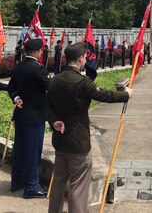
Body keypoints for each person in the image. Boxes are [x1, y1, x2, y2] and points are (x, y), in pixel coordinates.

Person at [44, 42, 133, 213]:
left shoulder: (54, 80)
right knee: (78, 186)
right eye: (85, 57)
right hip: (78, 141)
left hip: (60, 140)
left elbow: (46, 106)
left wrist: (54, 121)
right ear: (79, 59)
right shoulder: (82, 82)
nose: (86, 60)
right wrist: (126, 95)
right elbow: (104, 95)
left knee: (58, 182)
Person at [7, 39, 50, 198]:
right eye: (41, 50)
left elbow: (11, 87)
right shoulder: (39, 69)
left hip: (21, 114)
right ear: (37, 52)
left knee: (20, 150)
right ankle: (31, 186)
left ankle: (17, 182)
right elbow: (50, 88)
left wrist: (16, 97)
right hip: (35, 117)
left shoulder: (19, 66)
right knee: (32, 152)